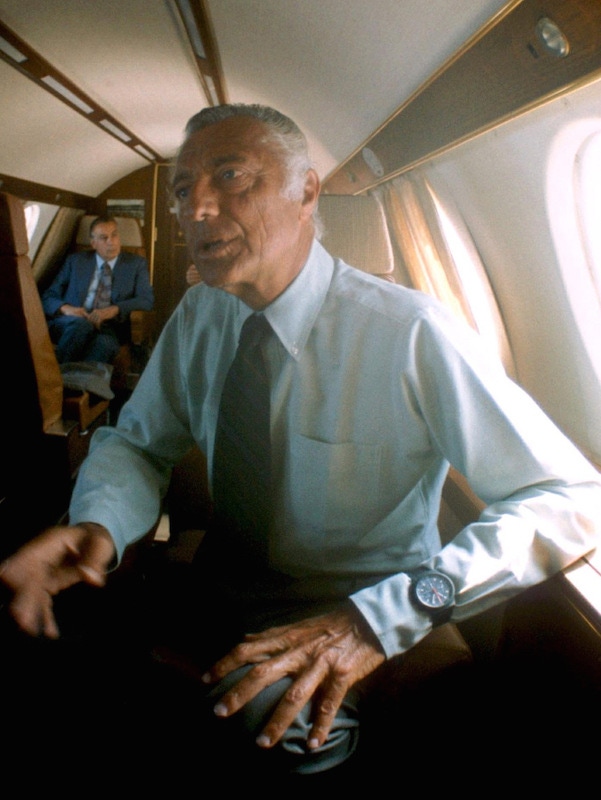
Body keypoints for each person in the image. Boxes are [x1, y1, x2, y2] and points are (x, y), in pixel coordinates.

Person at [2, 104, 600, 780]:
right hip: (222, 584)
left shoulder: (410, 332)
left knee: (277, 732)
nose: (195, 207)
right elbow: (140, 442)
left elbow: (568, 496)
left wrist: (381, 619)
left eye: (229, 176)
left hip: (359, 600)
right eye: (180, 187)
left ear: (306, 191)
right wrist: (99, 526)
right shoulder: (202, 312)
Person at [41, 215, 154, 364]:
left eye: (114, 235)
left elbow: (147, 300)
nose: (111, 242)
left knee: (105, 345)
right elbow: (48, 296)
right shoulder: (75, 261)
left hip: (108, 327)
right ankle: (56, 380)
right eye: (103, 238)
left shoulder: (135, 264)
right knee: (81, 325)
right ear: (93, 243)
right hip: (72, 322)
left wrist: (114, 309)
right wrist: (67, 309)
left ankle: (75, 385)